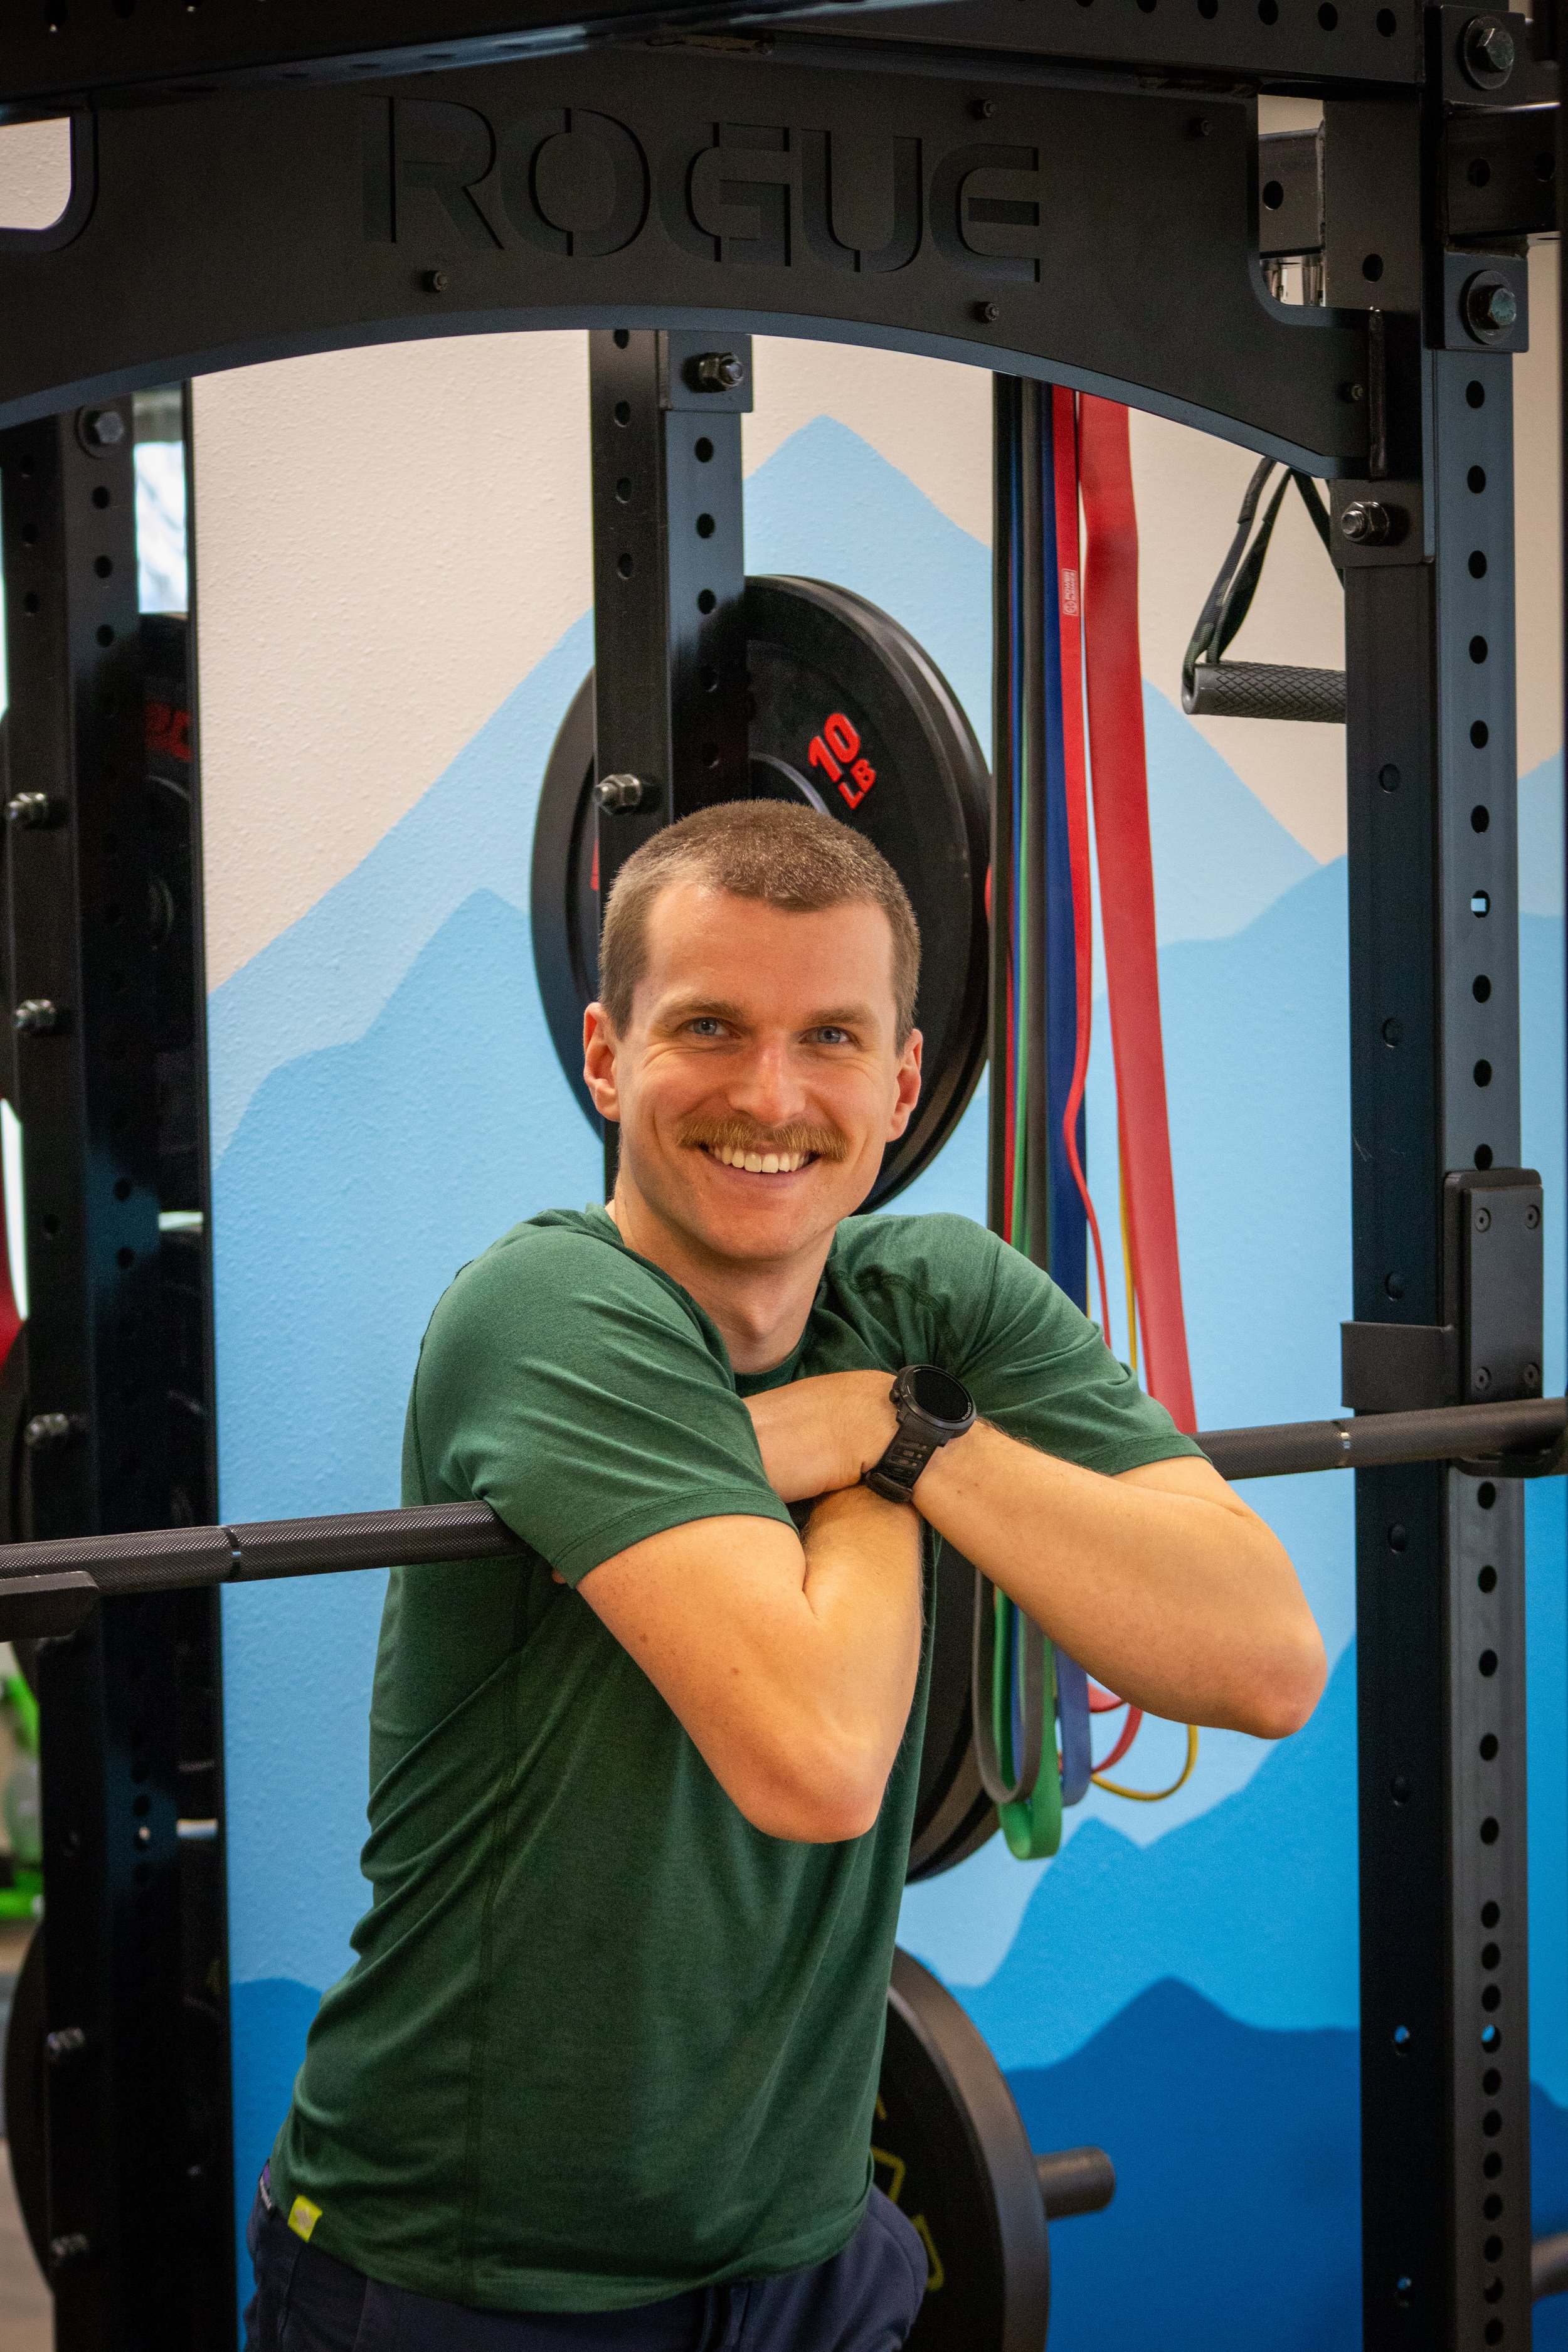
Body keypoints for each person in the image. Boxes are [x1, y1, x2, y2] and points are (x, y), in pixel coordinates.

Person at [246, 802, 1325, 2352]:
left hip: (813, 2260)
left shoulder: (934, 1292)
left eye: (828, 1036)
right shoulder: (547, 1309)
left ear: (898, 1087)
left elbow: (1262, 1656)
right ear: (608, 1055)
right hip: (471, 2279)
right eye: (709, 1027)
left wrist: (900, 1434)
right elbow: (818, 1760)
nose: (769, 1093)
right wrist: (904, 1437)